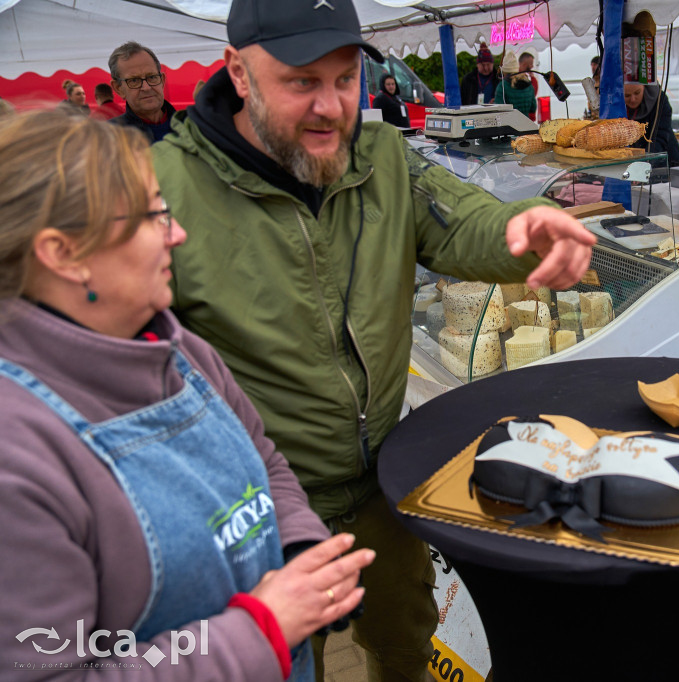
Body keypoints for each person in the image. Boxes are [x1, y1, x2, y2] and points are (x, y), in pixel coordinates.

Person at [151, 0, 595, 680]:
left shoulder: (383, 156)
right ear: (238, 72)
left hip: (381, 480)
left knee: (403, 638)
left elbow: (464, 218)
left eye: (347, 78)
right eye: (302, 81)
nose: (331, 106)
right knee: (286, 664)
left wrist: (528, 225)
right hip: (260, 505)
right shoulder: (168, 188)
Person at [0, 110, 375, 679]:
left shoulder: (181, 352)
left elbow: (264, 463)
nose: (177, 233)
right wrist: (264, 629)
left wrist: (296, 548)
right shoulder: (18, 458)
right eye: (153, 216)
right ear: (64, 253)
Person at [108, 41, 176, 142]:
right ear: (119, 88)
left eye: (152, 77)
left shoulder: (191, 126)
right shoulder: (109, 138)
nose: (146, 87)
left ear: (162, 80)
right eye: (134, 80)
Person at [624, 81, 679, 166]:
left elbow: (660, 137)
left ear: (644, 87)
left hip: (665, 161)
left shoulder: (660, 101)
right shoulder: (616, 105)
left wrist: (644, 164)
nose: (633, 99)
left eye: (637, 93)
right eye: (627, 95)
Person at [494, 50, 537, 120]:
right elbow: (533, 108)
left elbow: (498, 111)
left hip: (510, 126)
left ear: (504, 71)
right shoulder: (529, 84)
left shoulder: (502, 86)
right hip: (527, 125)